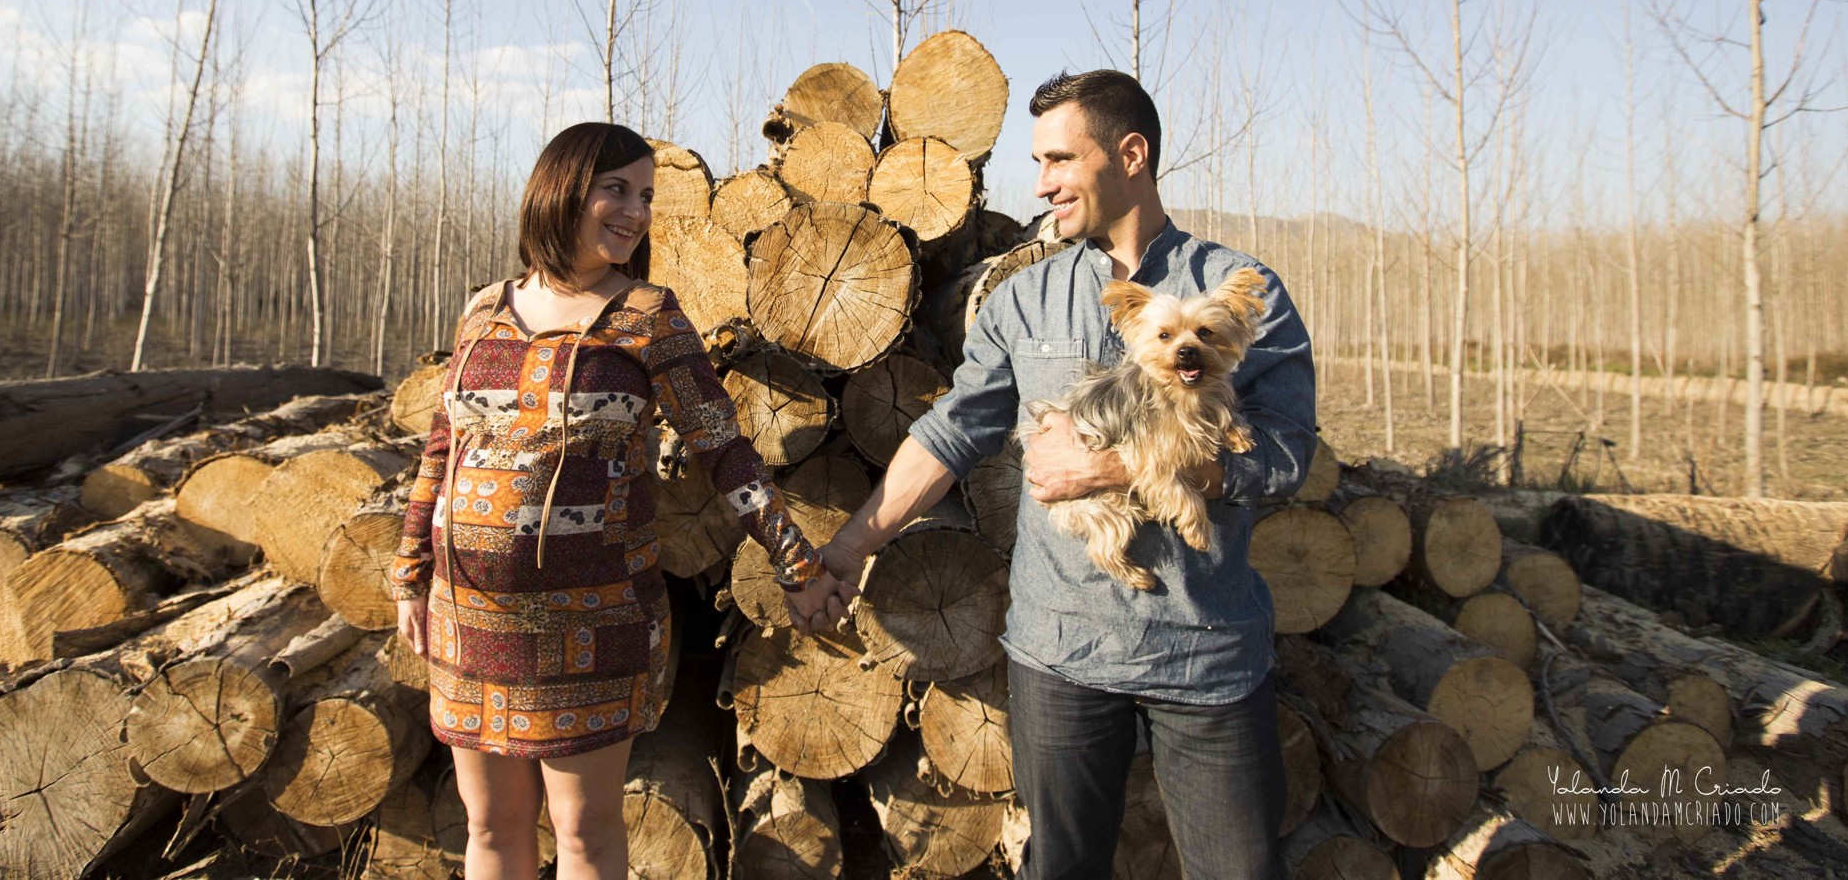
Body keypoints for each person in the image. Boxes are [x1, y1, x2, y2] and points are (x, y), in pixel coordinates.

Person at [822, 70, 1316, 880]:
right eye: (1037, 162)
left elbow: (1289, 453)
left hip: (1206, 654)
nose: (1042, 183)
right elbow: (951, 433)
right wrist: (848, 548)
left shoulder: (1236, 291)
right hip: (1062, 654)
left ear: (1131, 155)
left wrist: (1117, 464)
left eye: (1059, 159)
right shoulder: (1026, 300)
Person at [392, 122, 856, 880]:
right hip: (468, 616)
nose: (637, 212)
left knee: (584, 832)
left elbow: (723, 449)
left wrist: (796, 561)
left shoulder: (648, 315)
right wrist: (411, 574)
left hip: (596, 623)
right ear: (561, 190)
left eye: (645, 195)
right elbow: (442, 451)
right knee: (491, 826)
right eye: (617, 190)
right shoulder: (483, 311)